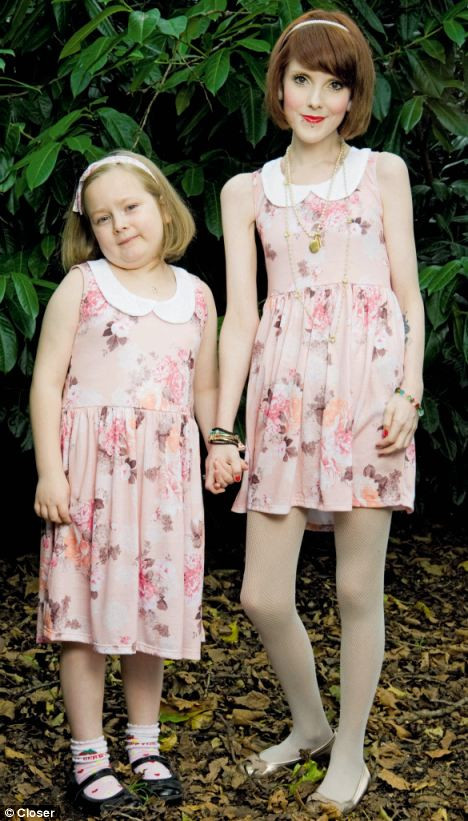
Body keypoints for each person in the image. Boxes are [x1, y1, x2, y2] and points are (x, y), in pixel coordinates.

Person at [205, 8, 424, 815]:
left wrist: (410, 389)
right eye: (303, 79)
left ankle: (352, 752)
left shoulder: (383, 173)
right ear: (280, 85)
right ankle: (310, 723)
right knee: (262, 594)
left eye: (335, 84)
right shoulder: (245, 191)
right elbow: (241, 315)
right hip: (284, 398)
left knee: (357, 588)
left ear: (354, 97)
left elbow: (409, 295)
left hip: (369, 393)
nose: (316, 98)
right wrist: (223, 425)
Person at [31, 150, 220, 814]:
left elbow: (204, 388)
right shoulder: (82, 285)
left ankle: (144, 743)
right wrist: (49, 471)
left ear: (162, 205)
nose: (120, 225)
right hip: (91, 479)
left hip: (163, 485)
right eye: (103, 218)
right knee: (83, 620)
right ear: (90, 229)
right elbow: (47, 382)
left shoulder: (197, 296)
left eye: (131, 207)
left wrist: (220, 441)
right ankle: (88, 753)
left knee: (150, 612)